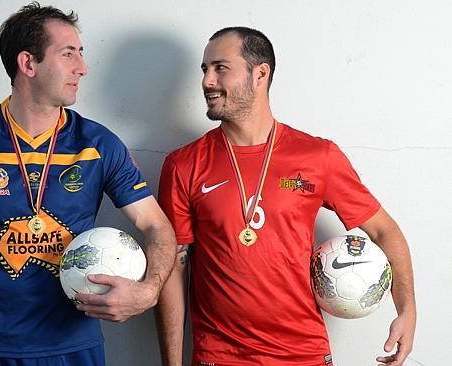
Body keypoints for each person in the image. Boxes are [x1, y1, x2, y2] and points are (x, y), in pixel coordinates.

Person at [0, 3, 176, 365]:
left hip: (73, 348)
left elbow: (157, 226)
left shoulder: (98, 145)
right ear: (28, 64)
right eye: (68, 54)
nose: (82, 68)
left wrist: (148, 292)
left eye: (81, 54)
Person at [155, 27, 416, 366]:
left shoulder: (317, 157)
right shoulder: (184, 164)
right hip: (219, 357)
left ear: (260, 73)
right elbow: (174, 267)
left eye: (220, 68)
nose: (207, 80)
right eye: (204, 70)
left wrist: (407, 311)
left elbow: (385, 231)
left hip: (303, 355)